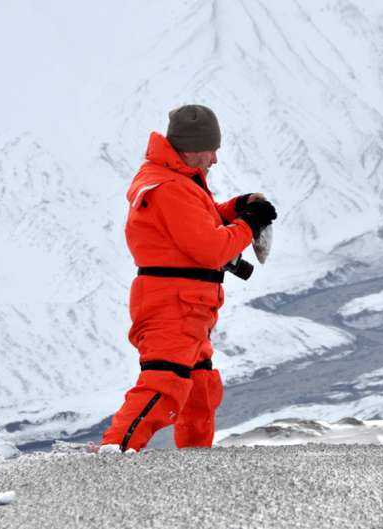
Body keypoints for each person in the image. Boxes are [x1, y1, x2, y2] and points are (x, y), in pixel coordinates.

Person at [100, 104, 277, 451]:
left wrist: (236, 207)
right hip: (173, 304)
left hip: (189, 304)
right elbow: (210, 247)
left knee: (200, 390)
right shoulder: (168, 187)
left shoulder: (176, 179)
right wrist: (249, 224)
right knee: (163, 386)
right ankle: (113, 454)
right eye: (212, 151)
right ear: (194, 147)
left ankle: (196, 463)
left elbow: (197, 221)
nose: (214, 160)